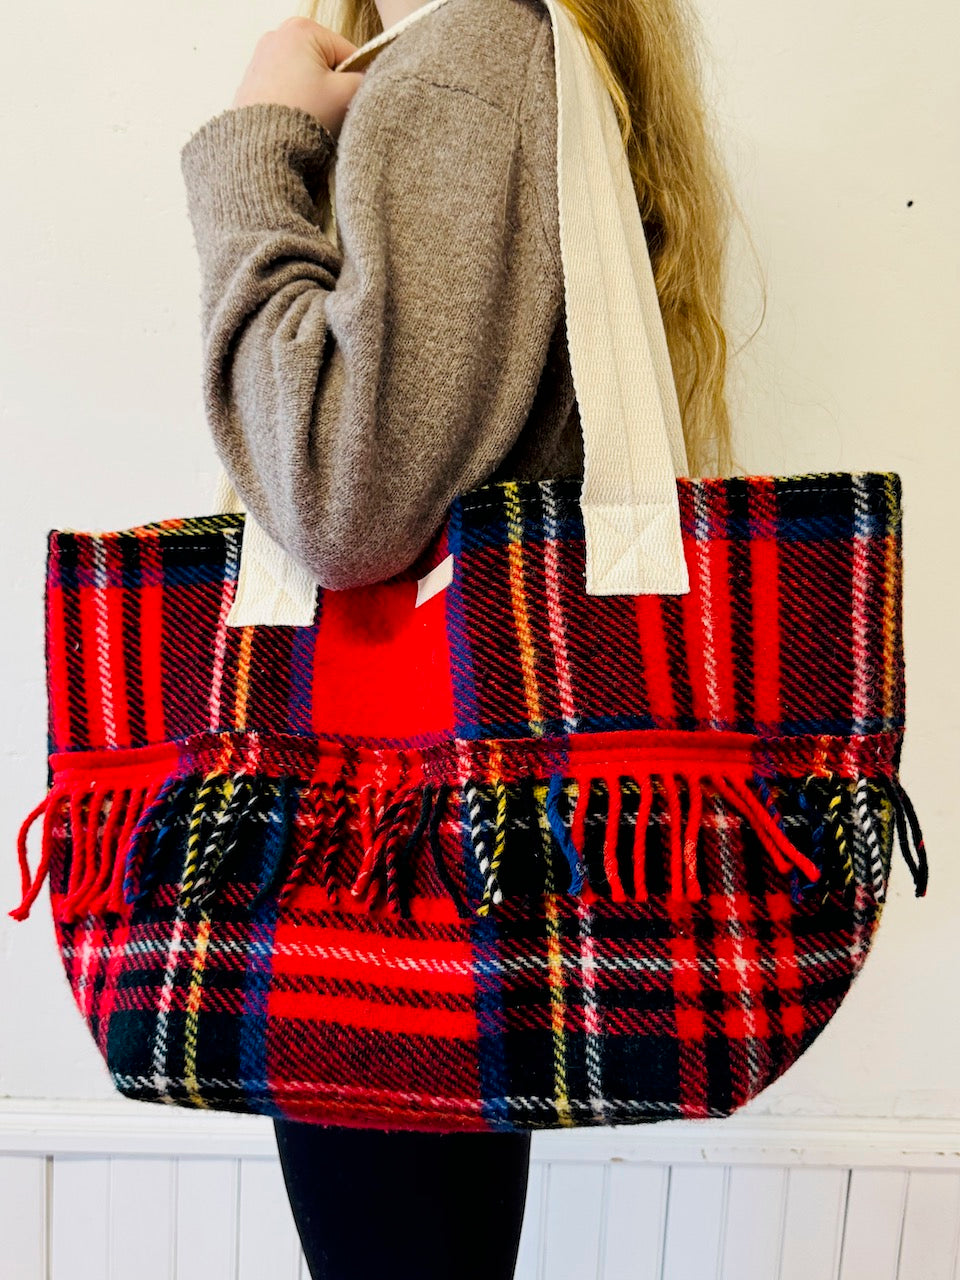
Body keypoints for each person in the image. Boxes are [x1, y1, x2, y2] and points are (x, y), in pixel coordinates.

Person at [179, 0, 743, 1274]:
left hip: (371, 839)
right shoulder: (515, 46)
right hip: (456, 822)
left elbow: (338, 495)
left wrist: (256, 142)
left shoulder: (466, 58)